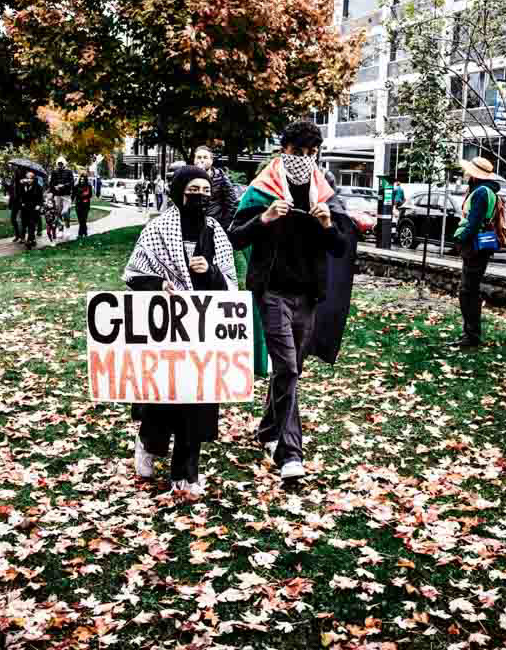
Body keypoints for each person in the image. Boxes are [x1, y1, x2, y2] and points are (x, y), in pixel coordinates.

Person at [227, 121, 350, 481]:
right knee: (288, 367)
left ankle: (268, 430)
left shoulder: (324, 191)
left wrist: (327, 225)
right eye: (298, 152)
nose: (304, 158)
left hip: (308, 294)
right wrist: (264, 219)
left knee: (290, 369)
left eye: (312, 153)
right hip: (272, 291)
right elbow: (234, 237)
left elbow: (341, 247)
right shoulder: (261, 189)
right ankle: (290, 453)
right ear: (284, 150)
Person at [123, 164, 237, 497]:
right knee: (165, 396)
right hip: (166, 328)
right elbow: (134, 274)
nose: (201, 197)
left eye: (206, 191)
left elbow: (230, 283)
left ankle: (186, 473)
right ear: (178, 193)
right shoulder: (157, 229)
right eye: (193, 191)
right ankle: (148, 442)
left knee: (197, 399)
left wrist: (210, 271)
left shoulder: (215, 232)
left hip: (203, 328)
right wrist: (160, 284)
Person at [451, 157, 506, 349]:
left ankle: (472, 336)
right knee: (469, 290)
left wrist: (460, 239)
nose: (466, 175)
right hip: (479, 245)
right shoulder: (487, 191)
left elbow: (474, 223)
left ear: (475, 175)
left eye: (468, 172)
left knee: (468, 292)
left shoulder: (482, 192)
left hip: (474, 246)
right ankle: (470, 334)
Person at [194, 146, 239, 230]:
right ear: (194, 160)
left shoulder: (221, 177)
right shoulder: (189, 177)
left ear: (211, 160)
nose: (202, 160)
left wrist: (224, 225)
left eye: (205, 157)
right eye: (199, 157)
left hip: (215, 225)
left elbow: (232, 203)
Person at [19, 171, 43, 249]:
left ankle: (29, 241)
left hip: (34, 208)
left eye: (31, 178)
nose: (29, 180)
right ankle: (33, 240)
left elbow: (40, 198)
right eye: (27, 178)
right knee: (25, 223)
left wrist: (39, 205)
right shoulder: (24, 185)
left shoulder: (38, 187)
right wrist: (22, 202)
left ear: (33, 179)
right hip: (25, 208)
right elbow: (21, 195)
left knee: (31, 224)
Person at [50, 157, 74, 235]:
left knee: (65, 212)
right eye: (59, 164)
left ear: (64, 164)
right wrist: (55, 187)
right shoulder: (54, 172)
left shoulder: (69, 172)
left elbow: (72, 183)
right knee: (58, 213)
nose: (60, 165)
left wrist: (64, 186)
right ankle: (60, 230)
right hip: (57, 195)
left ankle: (67, 227)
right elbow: (51, 183)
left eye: (61, 163)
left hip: (66, 195)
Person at [72, 167, 93, 238]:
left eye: (83, 179)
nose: (82, 180)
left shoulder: (88, 186)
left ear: (85, 180)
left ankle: (80, 234)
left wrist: (82, 196)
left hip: (86, 205)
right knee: (80, 220)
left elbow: (90, 195)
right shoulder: (76, 186)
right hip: (78, 205)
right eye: (80, 179)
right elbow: (74, 194)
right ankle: (85, 233)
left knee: (84, 219)